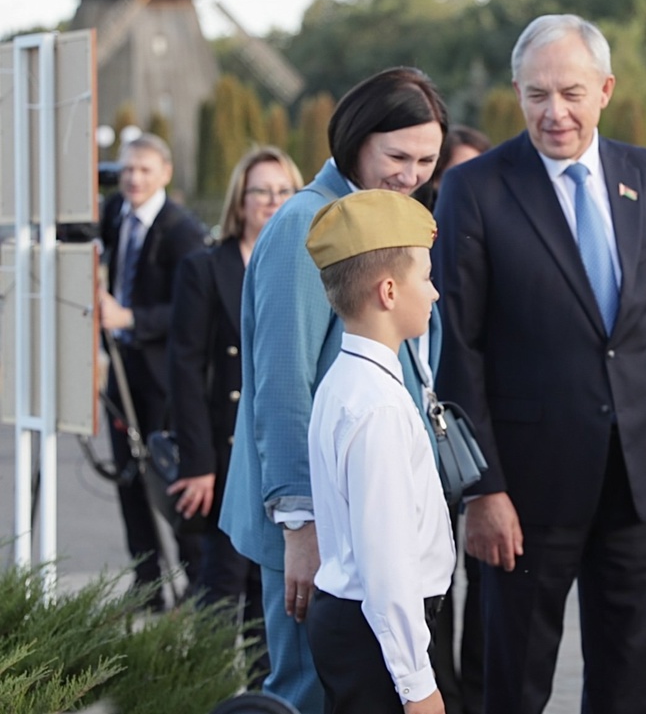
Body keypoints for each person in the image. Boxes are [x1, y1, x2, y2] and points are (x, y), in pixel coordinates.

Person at [433, 14, 646, 714]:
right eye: (536, 94)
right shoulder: (476, 190)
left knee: (626, 675)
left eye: (570, 92)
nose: (553, 111)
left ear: (606, 89)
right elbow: (456, 349)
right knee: (516, 680)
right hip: (523, 492)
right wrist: (481, 488)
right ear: (517, 94)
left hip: (637, 479)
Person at [219, 67, 448, 714]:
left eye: (426, 160)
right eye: (397, 155)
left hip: (364, 522)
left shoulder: (384, 219)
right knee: (307, 694)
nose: (412, 174)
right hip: (318, 525)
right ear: (355, 142)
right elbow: (282, 384)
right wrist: (301, 525)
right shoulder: (308, 223)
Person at [304, 189, 454, 714]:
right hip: (377, 635)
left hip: (360, 626)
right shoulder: (378, 406)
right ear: (388, 291)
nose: (434, 293)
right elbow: (386, 562)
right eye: (426, 278)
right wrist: (418, 686)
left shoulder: (345, 380)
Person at [166, 146, 303, 681]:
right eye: (260, 192)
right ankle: (199, 692)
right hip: (226, 455)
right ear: (239, 202)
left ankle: (266, 698)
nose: (272, 202)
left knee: (271, 593)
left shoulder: (307, 262)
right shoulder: (203, 267)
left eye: (282, 191)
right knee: (220, 589)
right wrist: (197, 463)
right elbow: (184, 372)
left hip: (282, 452)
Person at [98, 133, 206, 609]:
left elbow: (192, 309)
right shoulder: (113, 216)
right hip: (123, 373)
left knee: (171, 481)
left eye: (144, 170)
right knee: (129, 479)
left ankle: (197, 588)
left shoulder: (181, 230)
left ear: (165, 173)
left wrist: (131, 318)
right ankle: (147, 587)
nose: (134, 179)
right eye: (127, 170)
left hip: (164, 378)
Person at [428, 123, 493, 714]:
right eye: (450, 178)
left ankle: (476, 695)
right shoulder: (414, 245)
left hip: (484, 440)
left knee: (490, 585)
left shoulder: (496, 239)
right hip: (425, 446)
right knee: (435, 583)